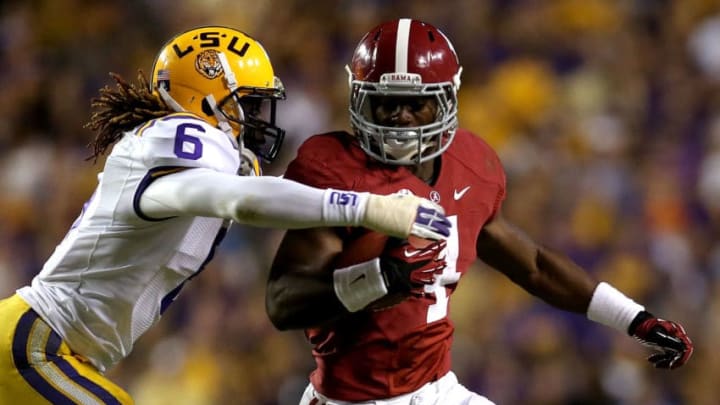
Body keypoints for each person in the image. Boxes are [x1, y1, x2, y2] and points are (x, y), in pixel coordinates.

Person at [0, 25, 452, 405]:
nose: (257, 119)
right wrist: (372, 207)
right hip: (33, 344)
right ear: (205, 99)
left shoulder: (192, 160)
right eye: (249, 105)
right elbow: (240, 199)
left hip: (52, 348)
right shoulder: (180, 136)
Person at [265, 18, 694, 405]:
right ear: (361, 102)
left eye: (417, 103)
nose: (401, 118)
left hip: (437, 390)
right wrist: (374, 280)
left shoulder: (470, 163)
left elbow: (535, 266)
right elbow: (282, 303)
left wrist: (635, 320)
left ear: (448, 100)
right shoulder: (334, 169)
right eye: (387, 102)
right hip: (352, 400)